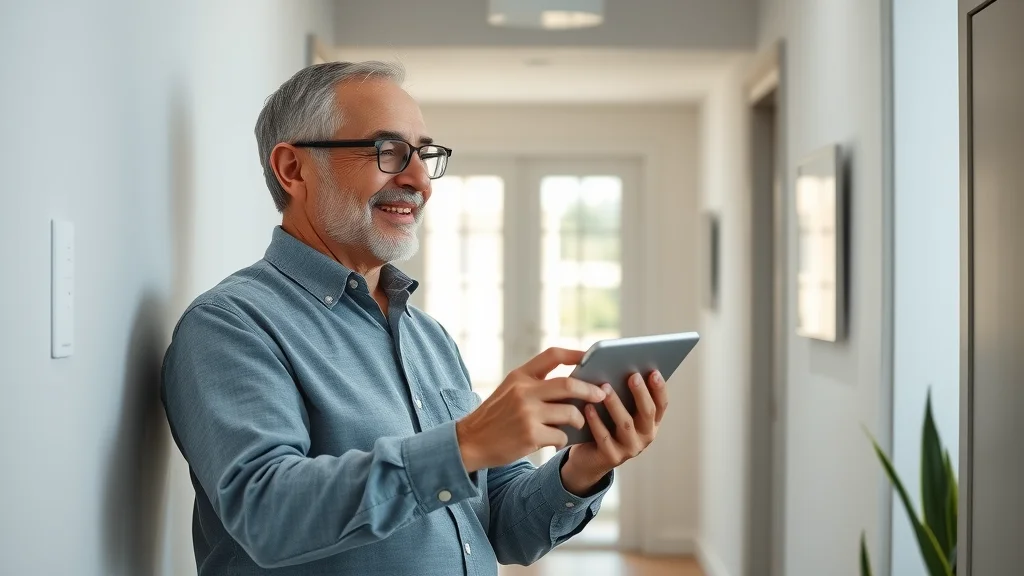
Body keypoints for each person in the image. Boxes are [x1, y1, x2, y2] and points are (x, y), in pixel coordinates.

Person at [160, 61, 671, 576]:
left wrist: (582, 468)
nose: (420, 180)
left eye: (424, 154)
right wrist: (465, 442)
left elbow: (502, 531)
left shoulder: (428, 337)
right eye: (388, 151)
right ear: (293, 169)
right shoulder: (231, 325)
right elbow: (267, 516)